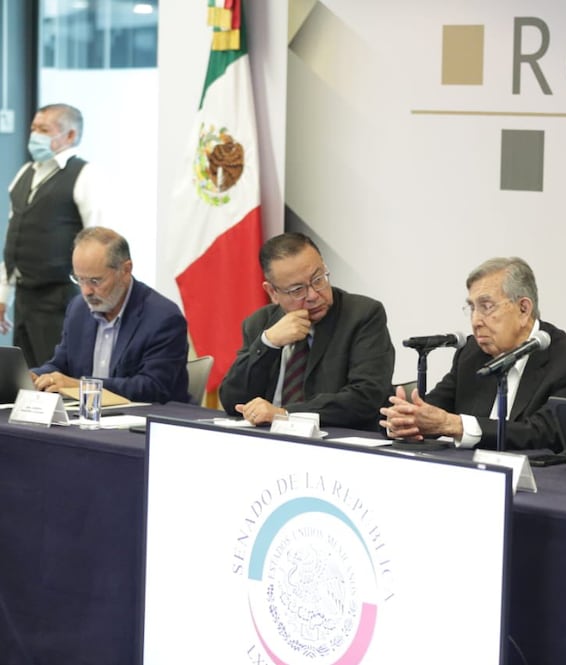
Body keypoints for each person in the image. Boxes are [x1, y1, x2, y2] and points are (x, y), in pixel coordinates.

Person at [380, 257, 566, 451]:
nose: (476, 321)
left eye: (486, 307)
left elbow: (545, 434)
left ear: (523, 309)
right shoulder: (472, 353)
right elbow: (435, 410)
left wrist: (454, 425)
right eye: (472, 308)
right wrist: (406, 420)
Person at [219, 232, 394, 430]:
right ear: (273, 293)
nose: (313, 295)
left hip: (337, 440)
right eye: (297, 290)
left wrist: (284, 414)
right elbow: (233, 402)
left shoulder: (362, 315)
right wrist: (268, 343)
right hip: (269, 440)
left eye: (318, 279)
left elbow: (366, 397)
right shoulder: (260, 323)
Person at [32, 227, 189, 403]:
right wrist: (34, 377)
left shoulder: (163, 318)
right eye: (79, 279)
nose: (86, 291)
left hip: (142, 417)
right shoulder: (78, 309)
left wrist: (82, 386)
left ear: (125, 270)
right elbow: (61, 364)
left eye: (95, 281)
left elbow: (152, 387)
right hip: (86, 416)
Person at [1, 103, 102, 367]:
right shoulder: (25, 173)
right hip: (25, 298)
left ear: (70, 135)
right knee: (24, 375)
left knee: (56, 375)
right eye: (34, 128)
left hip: (61, 297)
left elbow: (97, 240)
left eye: (44, 130)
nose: (35, 135)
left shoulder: (84, 174)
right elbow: (13, 240)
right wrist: (3, 296)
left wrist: (96, 298)